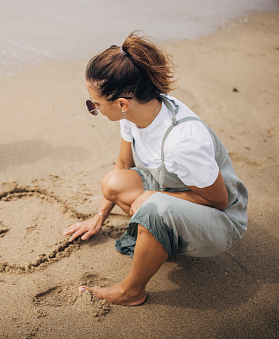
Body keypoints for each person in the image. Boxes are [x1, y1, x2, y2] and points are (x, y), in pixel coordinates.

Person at [63, 32, 248, 306]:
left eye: (95, 105)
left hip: (221, 220)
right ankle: (161, 237)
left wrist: (154, 198)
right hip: (176, 189)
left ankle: (132, 291)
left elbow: (219, 201)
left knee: (153, 208)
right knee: (113, 182)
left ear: (122, 104)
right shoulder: (135, 114)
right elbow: (123, 166)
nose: (95, 109)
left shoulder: (183, 142)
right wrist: (99, 216)